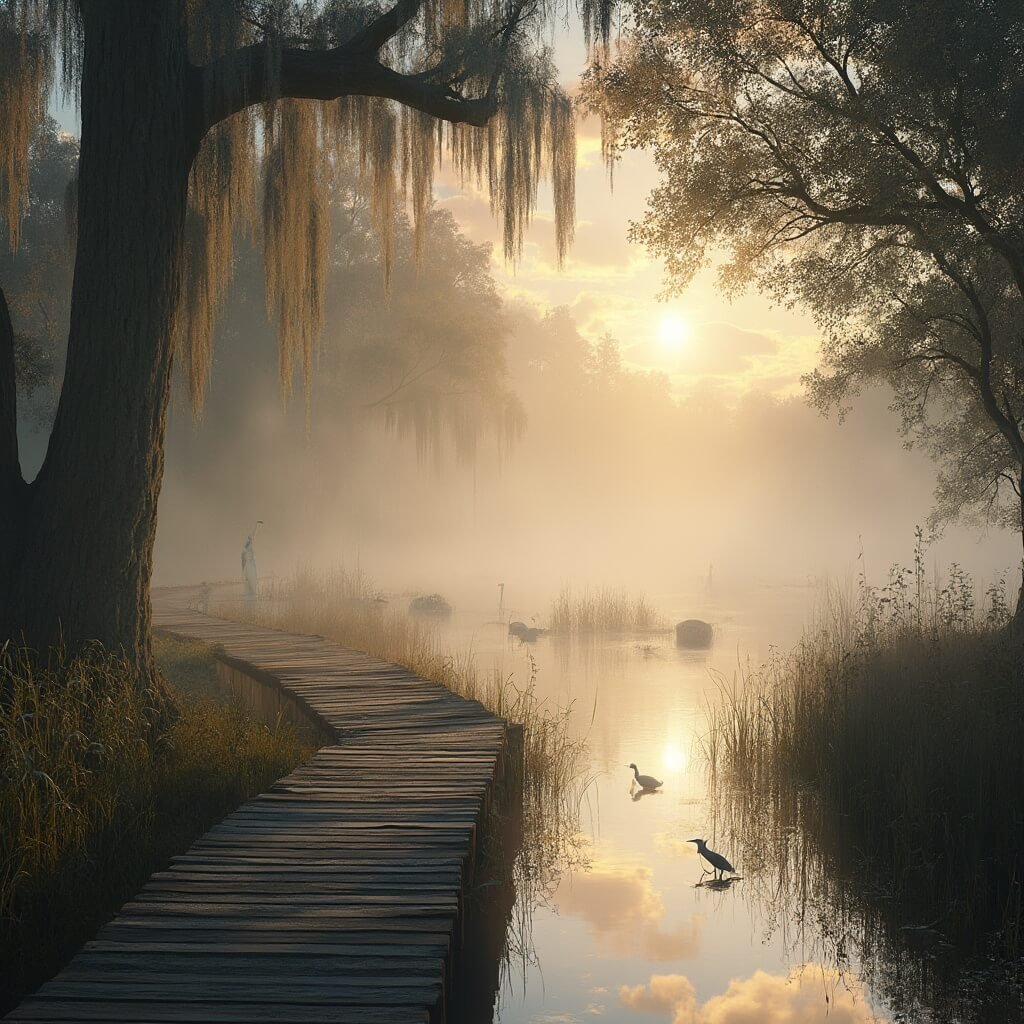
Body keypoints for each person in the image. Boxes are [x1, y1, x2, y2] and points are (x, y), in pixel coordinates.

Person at [242, 520, 262, 595]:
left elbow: (254, 533)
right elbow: (244, 558)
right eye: (250, 538)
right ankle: (251, 592)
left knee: (253, 579)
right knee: (250, 579)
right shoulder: (246, 548)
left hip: (252, 563)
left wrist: (257, 524)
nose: (251, 539)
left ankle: (252, 592)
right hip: (250, 564)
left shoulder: (249, 546)